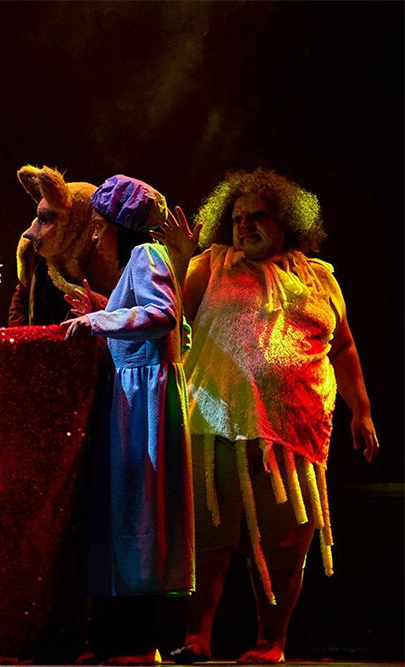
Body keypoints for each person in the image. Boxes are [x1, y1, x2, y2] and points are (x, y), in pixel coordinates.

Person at [166, 169, 379, 665]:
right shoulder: (212, 264)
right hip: (214, 422)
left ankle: (271, 642)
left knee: (285, 542)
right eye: (238, 218)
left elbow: (344, 346)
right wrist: (178, 260)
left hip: (293, 431)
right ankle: (198, 637)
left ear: (286, 221)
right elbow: (170, 315)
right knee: (208, 538)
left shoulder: (319, 277)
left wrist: (363, 411)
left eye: (257, 216)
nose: (245, 226)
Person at [63, 175, 194, 665]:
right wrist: (105, 309)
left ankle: (139, 643)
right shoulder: (138, 264)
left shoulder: (147, 254)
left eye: (100, 225)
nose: (95, 235)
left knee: (140, 511)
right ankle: (119, 640)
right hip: (134, 394)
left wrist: (99, 321)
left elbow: (165, 314)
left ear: (121, 225)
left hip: (143, 401)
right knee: (126, 513)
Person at [8, 165, 113, 327]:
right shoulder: (34, 254)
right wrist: (18, 337)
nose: (30, 233)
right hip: (40, 339)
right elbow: (22, 299)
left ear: (73, 224)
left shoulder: (108, 262)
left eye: (44, 219)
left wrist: (97, 313)